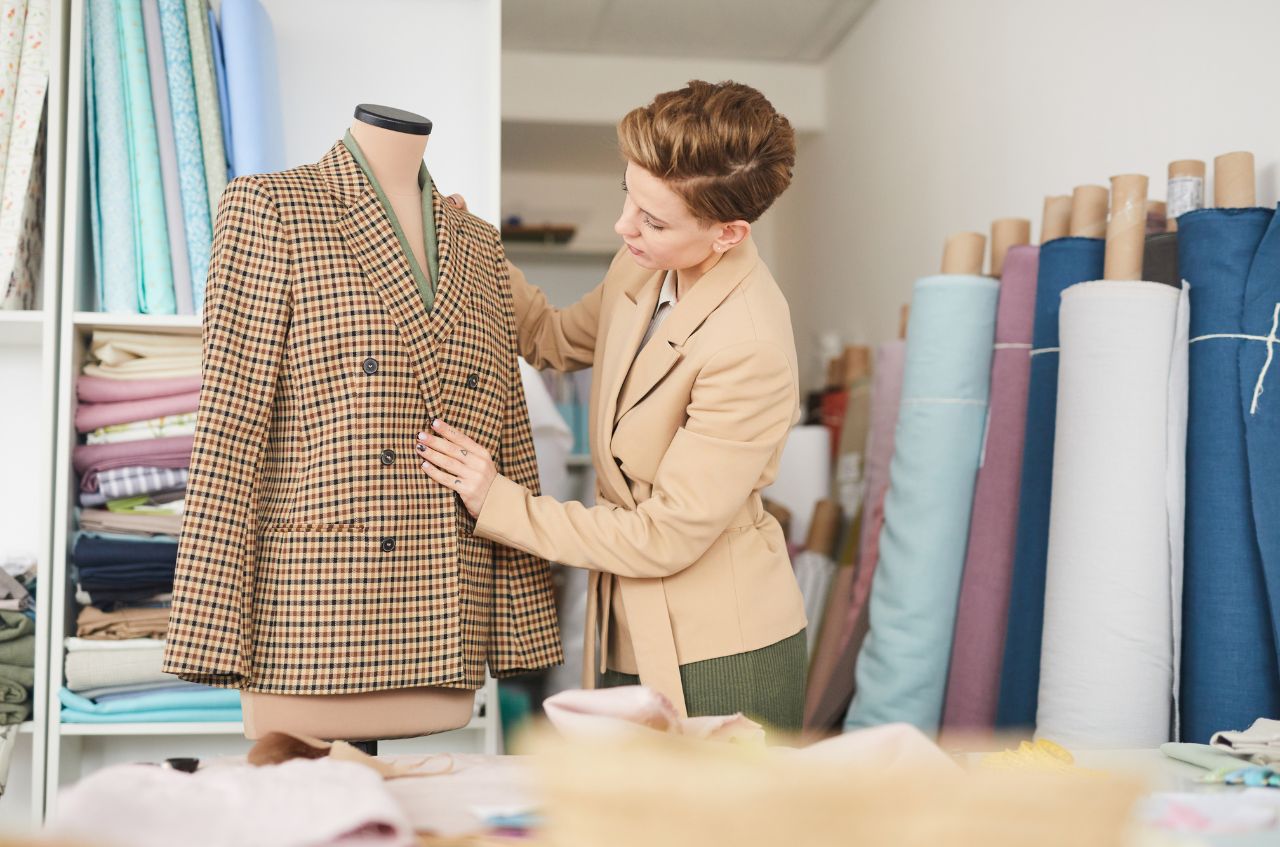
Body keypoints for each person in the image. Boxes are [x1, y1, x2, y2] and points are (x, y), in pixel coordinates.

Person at [418, 80, 806, 730]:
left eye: (653, 221)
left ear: (727, 232)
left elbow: (663, 534)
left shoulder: (752, 344)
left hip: (721, 652)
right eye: (627, 195)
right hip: (625, 623)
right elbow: (552, 336)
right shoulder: (644, 267)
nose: (625, 227)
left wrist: (498, 500)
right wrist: (473, 248)